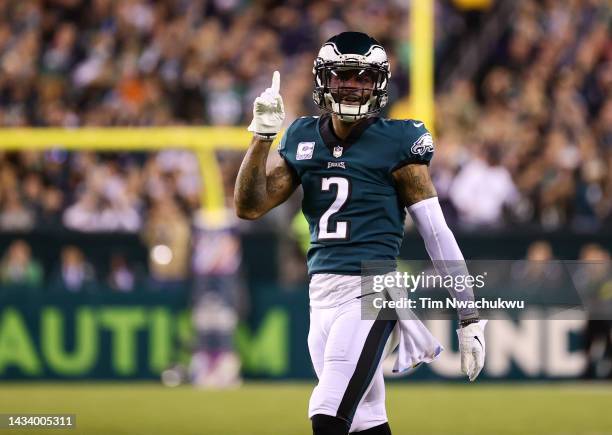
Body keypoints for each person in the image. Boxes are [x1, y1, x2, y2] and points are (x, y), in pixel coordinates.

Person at [234, 32, 486, 435]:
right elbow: (249, 206)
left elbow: (437, 232)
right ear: (324, 80)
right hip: (322, 297)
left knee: (327, 413)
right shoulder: (301, 137)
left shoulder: (399, 142)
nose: (352, 85)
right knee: (366, 422)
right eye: (342, 75)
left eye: (362, 77)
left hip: (372, 291)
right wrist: (261, 138)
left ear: (379, 84)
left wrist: (469, 313)